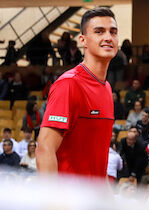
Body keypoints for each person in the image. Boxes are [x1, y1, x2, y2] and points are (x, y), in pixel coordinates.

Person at [36, 7, 118, 177]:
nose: (108, 38)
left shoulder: (107, 88)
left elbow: (97, 164)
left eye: (113, 32)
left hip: (94, 200)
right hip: (69, 201)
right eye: (99, 31)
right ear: (83, 40)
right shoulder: (69, 84)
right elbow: (45, 149)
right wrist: (54, 203)